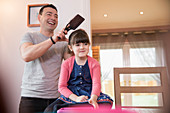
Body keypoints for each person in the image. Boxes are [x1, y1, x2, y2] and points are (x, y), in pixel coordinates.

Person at [44, 29, 113, 113]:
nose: (82, 47)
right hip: (71, 95)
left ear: (89, 45)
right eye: (77, 45)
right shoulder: (66, 64)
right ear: (70, 47)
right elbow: (61, 87)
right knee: (49, 110)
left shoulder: (95, 63)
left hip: (90, 94)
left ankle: (83, 105)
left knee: (106, 103)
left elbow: (96, 84)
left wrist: (93, 99)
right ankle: (78, 104)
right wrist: (76, 98)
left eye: (85, 44)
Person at [19, 4, 72, 113]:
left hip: (55, 98)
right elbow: (26, 55)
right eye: (49, 14)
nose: (53, 18)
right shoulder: (30, 36)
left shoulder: (62, 43)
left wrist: (71, 43)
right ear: (39, 17)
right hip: (31, 98)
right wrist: (52, 40)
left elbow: (72, 66)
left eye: (56, 16)